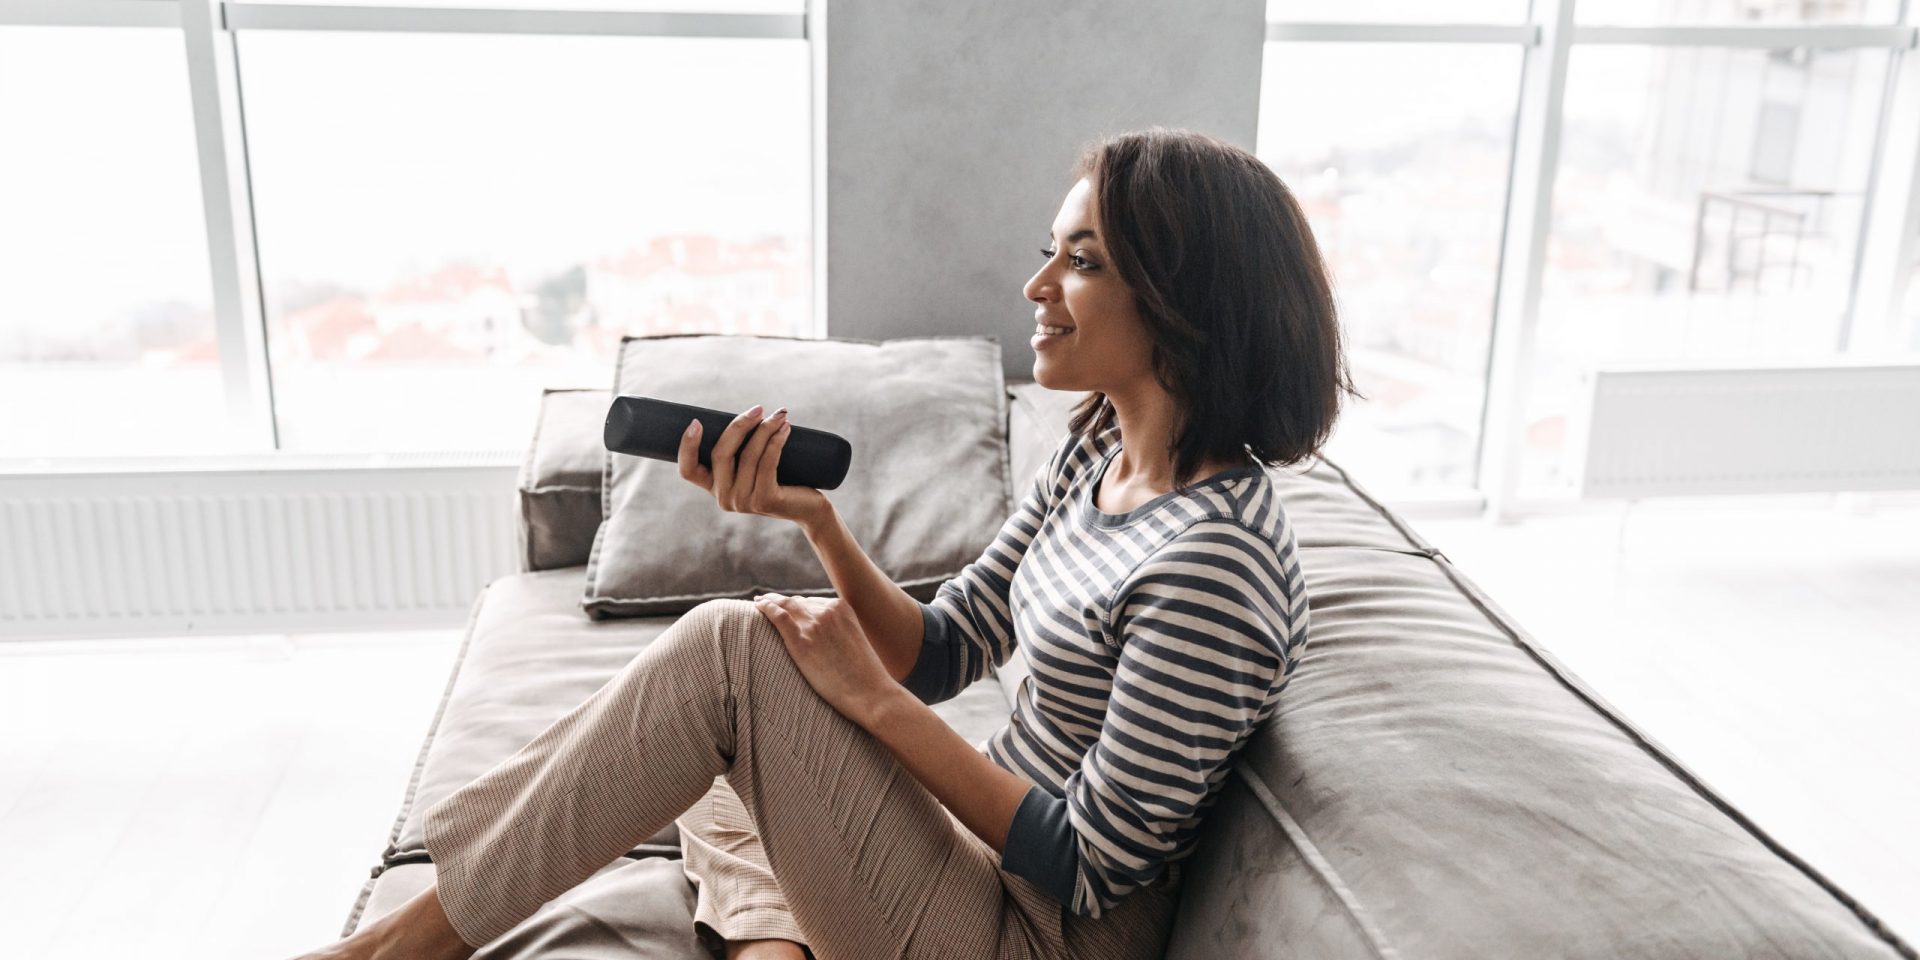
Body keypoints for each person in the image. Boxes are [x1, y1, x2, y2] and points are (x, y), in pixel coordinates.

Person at [285, 125, 1357, 960]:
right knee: (709, 724)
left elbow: (1084, 863)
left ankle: (405, 943)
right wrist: (814, 522)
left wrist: (869, 705)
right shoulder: (1098, 450)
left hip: (1036, 932)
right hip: (971, 861)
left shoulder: (1215, 564)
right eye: (1050, 253)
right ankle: (770, 940)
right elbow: (944, 649)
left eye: (1081, 262)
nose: (1036, 289)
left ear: (1184, 299)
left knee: (726, 661)